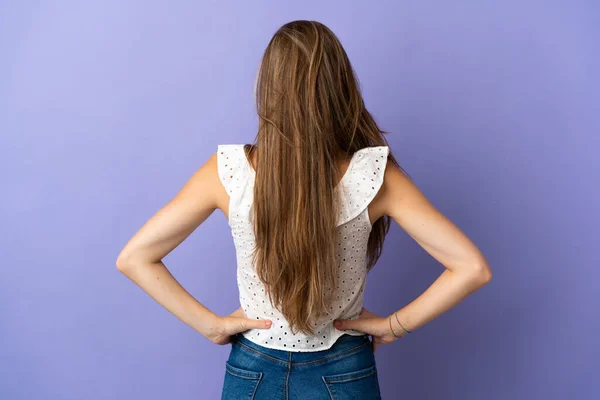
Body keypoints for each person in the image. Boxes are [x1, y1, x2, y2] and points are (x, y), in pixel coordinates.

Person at [116, 20, 492, 400]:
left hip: (252, 369)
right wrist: (393, 326)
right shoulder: (376, 177)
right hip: (343, 367)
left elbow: (134, 257)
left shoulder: (227, 172)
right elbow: (472, 268)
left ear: (268, 89)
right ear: (339, 86)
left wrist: (211, 326)